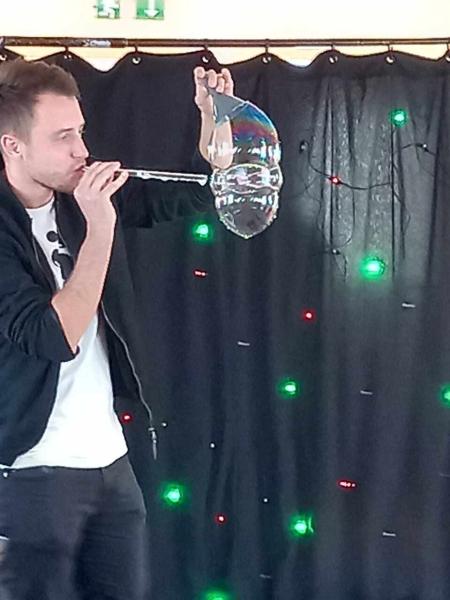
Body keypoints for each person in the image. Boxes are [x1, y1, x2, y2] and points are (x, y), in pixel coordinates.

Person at [0, 58, 234, 600]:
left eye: (80, 131)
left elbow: (195, 192)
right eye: (63, 137)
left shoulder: (74, 196)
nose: (82, 150)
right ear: (13, 146)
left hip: (110, 463)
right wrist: (100, 225)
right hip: (29, 475)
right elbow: (54, 336)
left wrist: (211, 118)